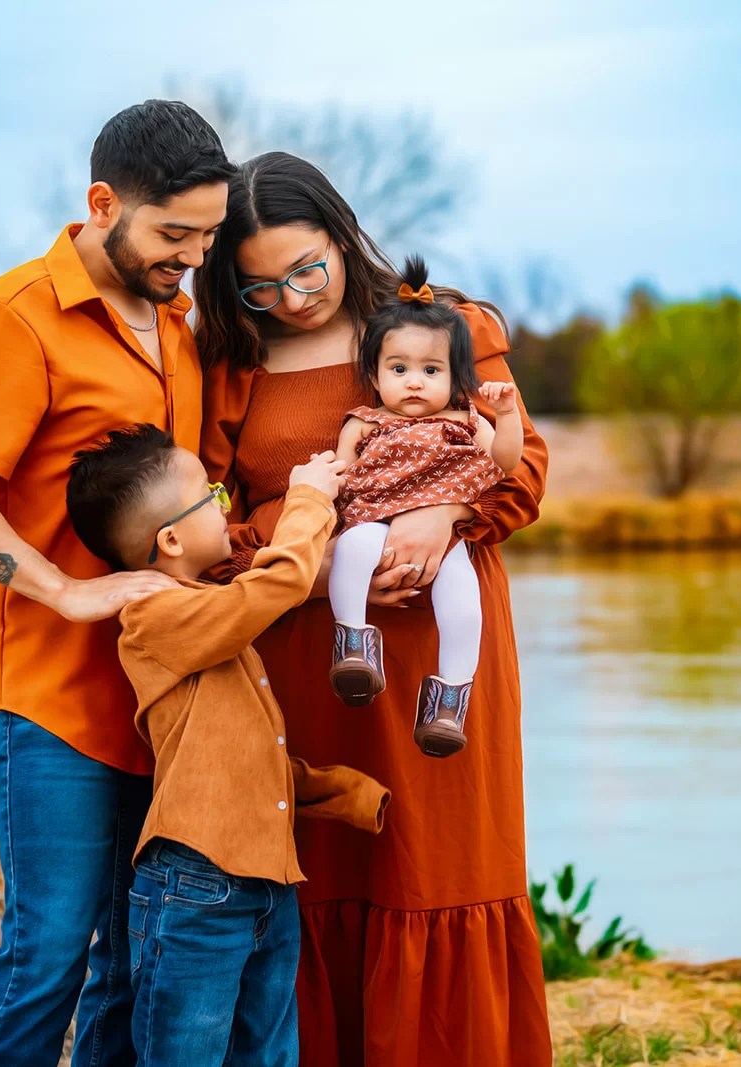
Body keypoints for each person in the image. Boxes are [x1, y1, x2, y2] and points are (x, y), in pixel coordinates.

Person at [193, 151, 552, 1067]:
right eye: (261, 286)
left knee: (439, 869)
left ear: (342, 234)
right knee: (321, 876)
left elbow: (523, 469)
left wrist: (446, 511)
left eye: (307, 269)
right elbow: (206, 528)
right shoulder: (230, 364)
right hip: (311, 654)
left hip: (439, 652)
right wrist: (308, 565)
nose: (292, 300)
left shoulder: (444, 325)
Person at [0, 100, 232, 1067]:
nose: (193, 258)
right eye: (174, 235)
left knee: (132, 960)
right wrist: (65, 590)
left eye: (208, 237)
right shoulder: (12, 316)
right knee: (46, 953)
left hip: (159, 695)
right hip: (51, 701)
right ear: (102, 204)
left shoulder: (178, 325)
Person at [65, 425, 389, 1067]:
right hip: (195, 885)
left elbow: (240, 752)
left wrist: (344, 791)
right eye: (212, 496)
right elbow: (275, 586)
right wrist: (309, 498)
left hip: (267, 883)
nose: (225, 505)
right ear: (171, 540)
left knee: (268, 1054)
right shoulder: (155, 620)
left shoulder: (208, 614)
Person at [328, 256, 524, 758]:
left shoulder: (467, 421)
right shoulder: (364, 422)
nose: (414, 382)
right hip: (375, 519)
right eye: (399, 369)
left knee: (464, 604)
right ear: (375, 376)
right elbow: (340, 477)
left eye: (430, 370)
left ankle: (449, 701)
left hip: (447, 536)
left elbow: (506, 463)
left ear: (456, 378)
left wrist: (505, 415)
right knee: (351, 550)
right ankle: (354, 645)